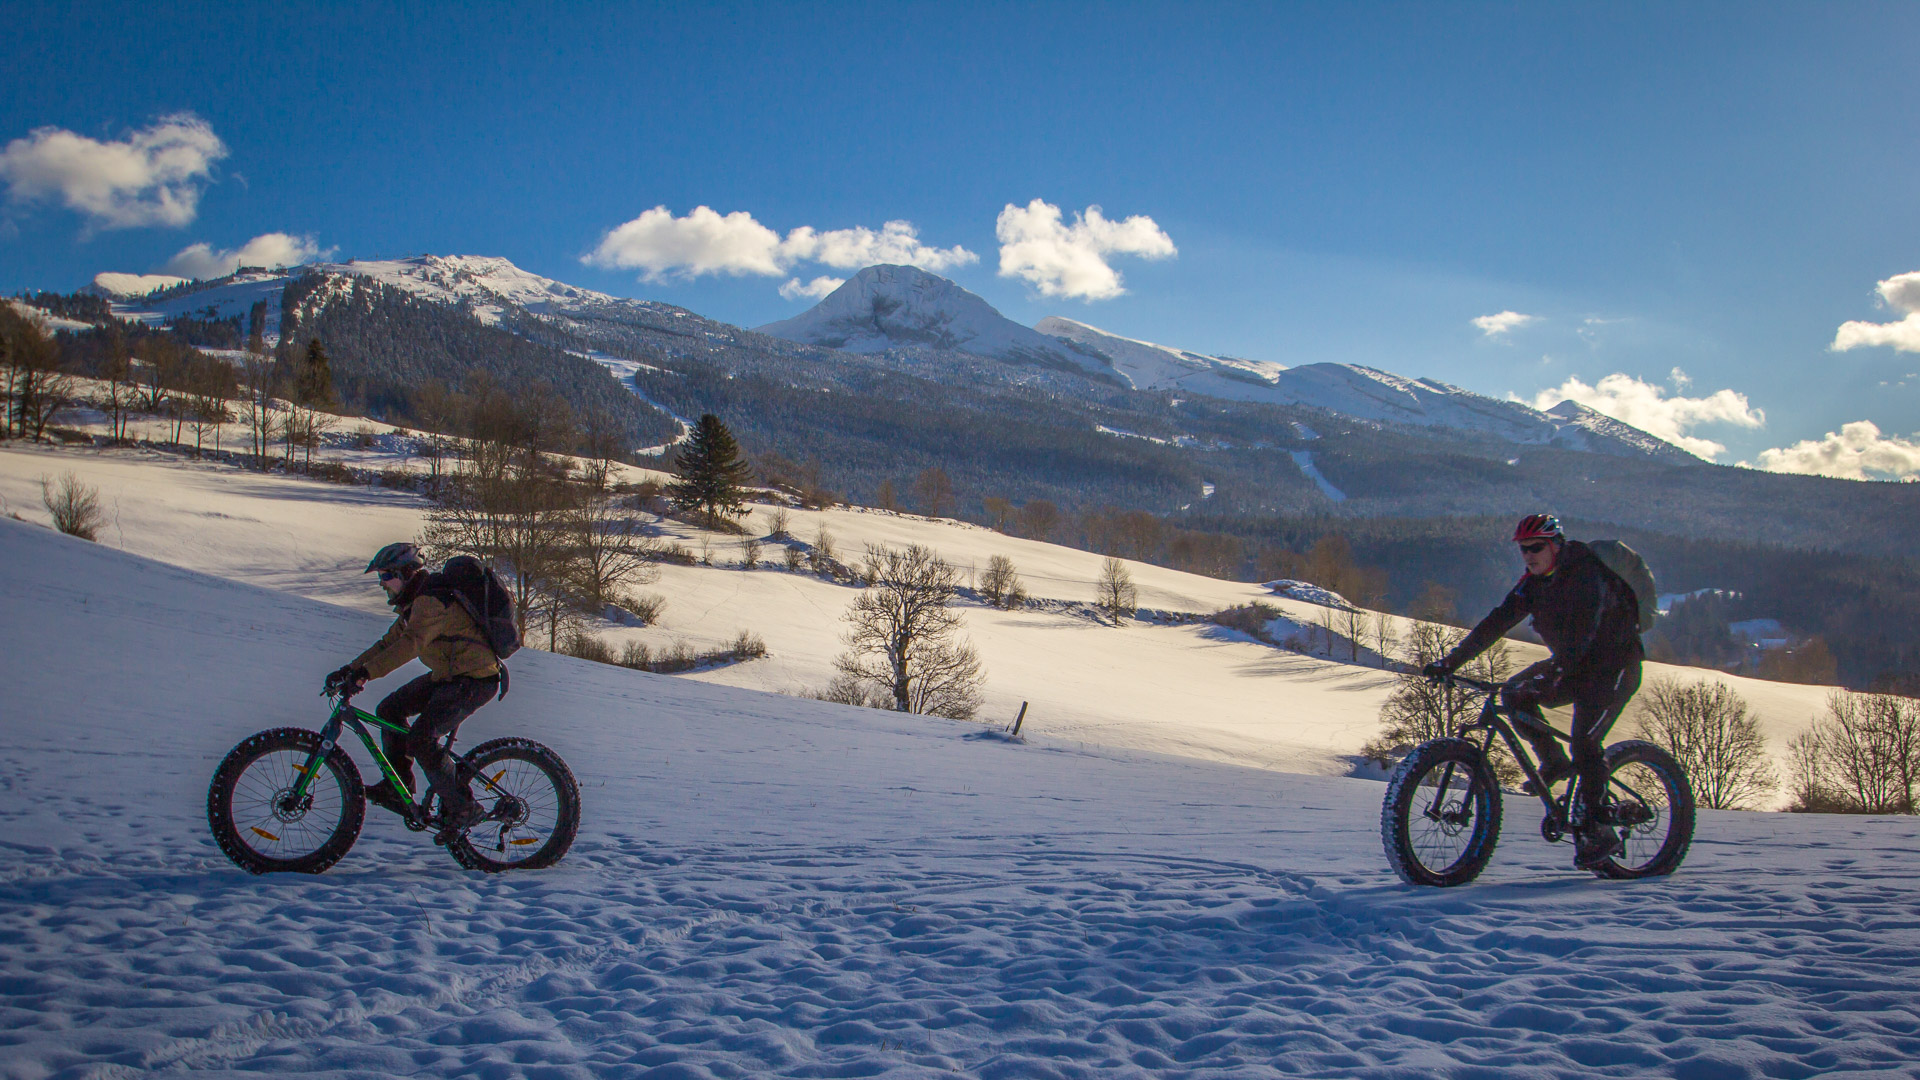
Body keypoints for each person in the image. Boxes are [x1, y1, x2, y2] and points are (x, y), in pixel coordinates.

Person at [1422, 514, 1645, 870]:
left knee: (1585, 741)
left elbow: (1585, 632)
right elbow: (1497, 621)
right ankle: (1554, 761)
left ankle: (1598, 827)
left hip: (1613, 667)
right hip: (1573, 666)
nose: (1528, 555)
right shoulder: (1533, 583)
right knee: (1514, 695)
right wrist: (1452, 661)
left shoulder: (1587, 574)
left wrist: (1558, 671)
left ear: (1556, 543)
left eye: (1536, 547)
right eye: (1523, 549)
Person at [325, 543, 501, 842]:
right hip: (448, 676)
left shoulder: (431, 602)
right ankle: (398, 788)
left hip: (474, 679)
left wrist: (366, 673)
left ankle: (464, 807)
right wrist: (350, 669)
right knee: (389, 711)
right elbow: (388, 643)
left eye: (386, 576)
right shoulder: (414, 603)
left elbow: (410, 645)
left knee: (422, 739)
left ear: (406, 573)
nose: (381, 583)